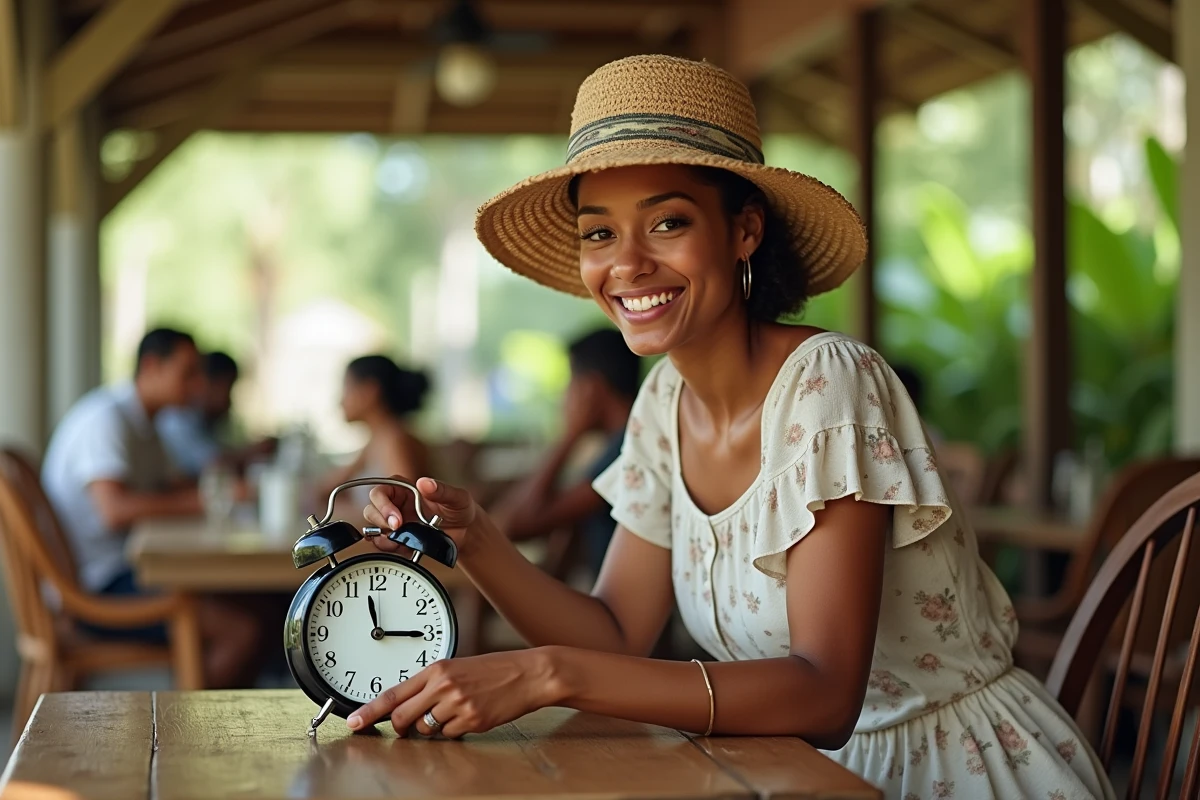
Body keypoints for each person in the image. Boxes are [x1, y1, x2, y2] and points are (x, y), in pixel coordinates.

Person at [350, 56, 1114, 799]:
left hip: (944, 768)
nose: (628, 265)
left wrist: (546, 673)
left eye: (668, 222)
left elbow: (825, 695)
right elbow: (616, 631)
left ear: (744, 231)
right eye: (599, 234)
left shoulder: (830, 384)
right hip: (778, 774)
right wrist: (475, 536)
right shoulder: (661, 405)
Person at [41, 328, 262, 688]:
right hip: (96, 588)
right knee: (242, 629)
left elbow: (174, 484)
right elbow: (114, 511)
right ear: (151, 366)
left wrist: (219, 488)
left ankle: (207, 724)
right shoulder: (106, 420)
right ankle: (185, 737)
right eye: (187, 374)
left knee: (260, 608)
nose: (196, 387)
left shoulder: (146, 422)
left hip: (126, 569)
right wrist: (207, 500)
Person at [494, 328, 639, 576]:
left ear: (590, 389)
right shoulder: (623, 442)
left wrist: (570, 434)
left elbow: (513, 525)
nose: (564, 395)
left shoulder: (626, 452)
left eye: (570, 381)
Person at [318, 356, 432, 497]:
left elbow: (405, 507)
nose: (340, 401)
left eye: (346, 388)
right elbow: (330, 485)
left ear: (370, 391)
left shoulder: (393, 441)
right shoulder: (377, 440)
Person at [157, 351, 274, 477]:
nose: (229, 399)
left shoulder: (205, 418)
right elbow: (213, 463)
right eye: (227, 388)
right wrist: (256, 450)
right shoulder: (176, 417)